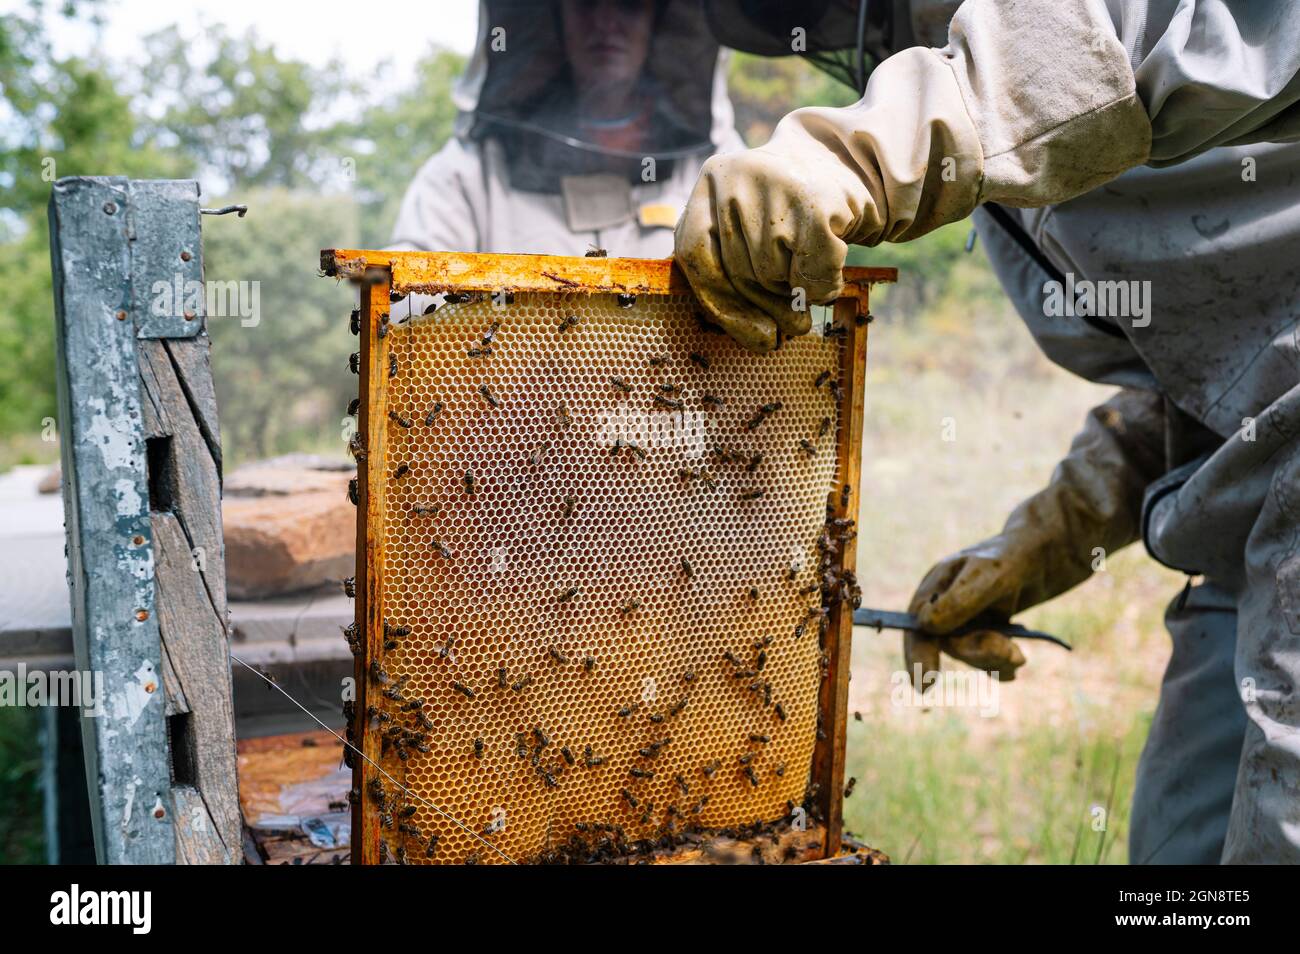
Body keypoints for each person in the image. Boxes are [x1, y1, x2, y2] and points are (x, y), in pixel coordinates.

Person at [677, 0, 1300, 864]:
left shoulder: (990, 102)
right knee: (1177, 858)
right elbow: (1211, 380)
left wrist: (869, 146)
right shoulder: (1006, 194)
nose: (872, 47)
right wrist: (1055, 532)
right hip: (1251, 527)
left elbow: (1172, 28)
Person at [391, 0, 744, 258]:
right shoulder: (471, 172)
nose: (606, 23)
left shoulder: (720, 166)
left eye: (629, 4)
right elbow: (403, 295)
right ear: (557, 18)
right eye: (587, 3)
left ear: (657, 21)